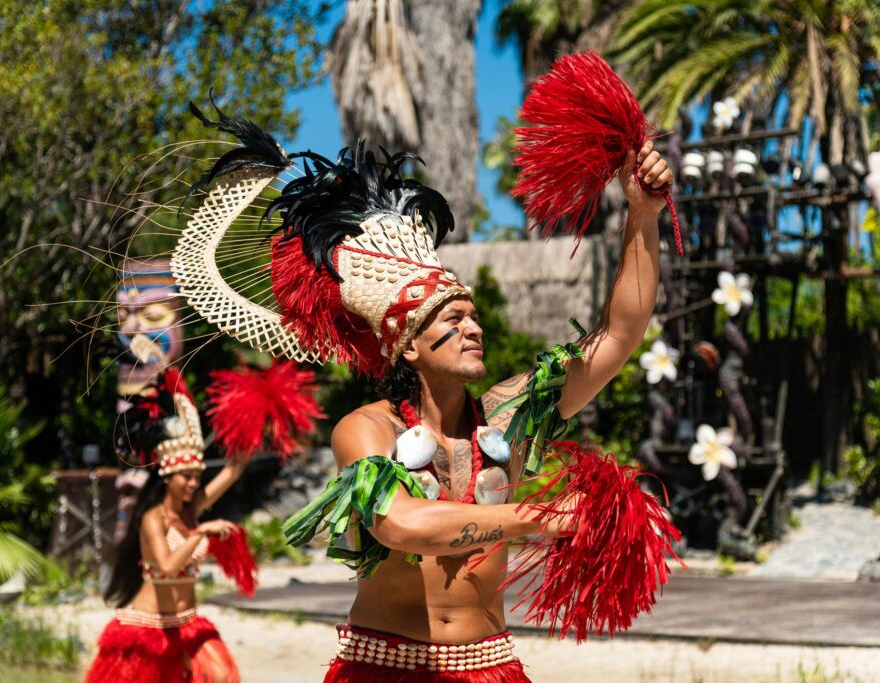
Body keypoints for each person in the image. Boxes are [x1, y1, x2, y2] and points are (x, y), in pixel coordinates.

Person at [168, 94, 675, 680]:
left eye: (475, 316)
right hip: (383, 670)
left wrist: (642, 215)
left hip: (492, 668)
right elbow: (400, 523)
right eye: (453, 320)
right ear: (408, 344)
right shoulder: (366, 429)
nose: (475, 328)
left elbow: (619, 333)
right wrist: (537, 515)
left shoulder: (509, 416)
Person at [85, 370, 247, 683]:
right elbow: (168, 567)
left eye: (197, 477)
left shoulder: (191, 510)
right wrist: (202, 533)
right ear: (168, 477)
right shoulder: (152, 519)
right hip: (149, 626)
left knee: (219, 674)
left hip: (186, 622)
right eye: (186, 477)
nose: (193, 484)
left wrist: (253, 421)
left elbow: (233, 470)